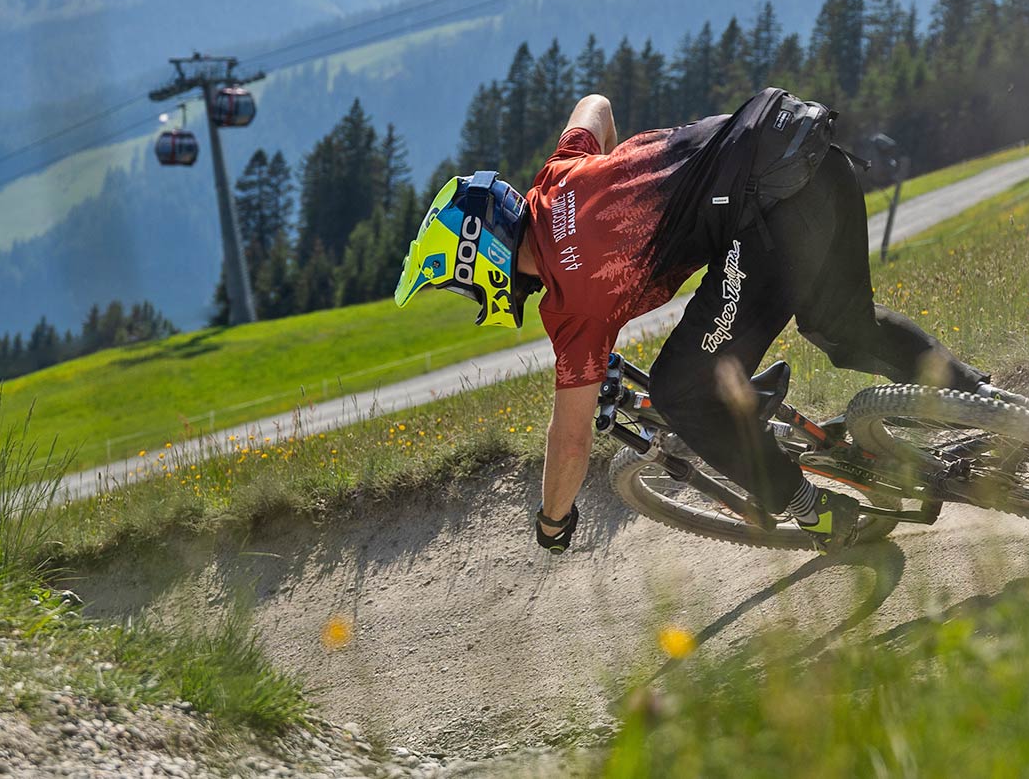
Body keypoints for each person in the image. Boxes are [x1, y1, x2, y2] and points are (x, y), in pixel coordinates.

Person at [394, 89, 990, 552]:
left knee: (681, 390)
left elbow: (571, 441)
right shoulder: (560, 174)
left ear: (486, 259)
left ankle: (811, 507)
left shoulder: (571, 306)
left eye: (462, 282)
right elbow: (595, 106)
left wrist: (553, 522)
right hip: (804, 146)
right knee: (845, 327)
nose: (473, 296)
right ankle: (988, 408)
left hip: (768, 210)